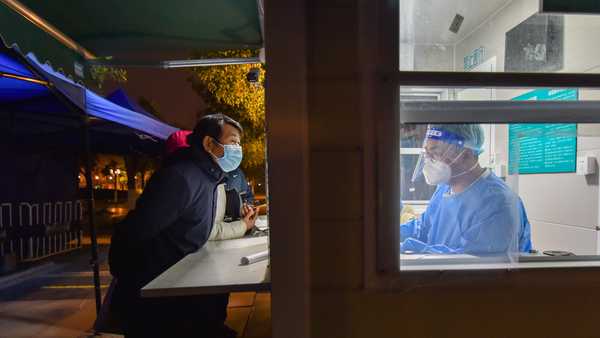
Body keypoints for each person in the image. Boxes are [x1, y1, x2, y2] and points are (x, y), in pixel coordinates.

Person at [108, 114, 245, 337]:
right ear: (209, 143)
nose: (238, 149)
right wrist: (132, 288)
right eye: (233, 141)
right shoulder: (181, 177)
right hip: (156, 305)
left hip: (181, 292)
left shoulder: (209, 177)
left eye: (239, 143)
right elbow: (133, 233)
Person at [401, 124, 532, 255]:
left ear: (466, 154)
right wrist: (388, 235)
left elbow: (472, 265)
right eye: (427, 153)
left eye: (435, 153)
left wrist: (416, 249)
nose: (428, 161)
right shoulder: (444, 189)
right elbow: (422, 228)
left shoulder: (499, 203)